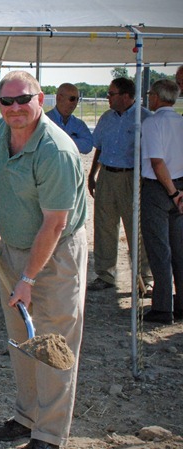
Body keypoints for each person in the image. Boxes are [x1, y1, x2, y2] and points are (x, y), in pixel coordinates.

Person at [0, 71, 87, 449]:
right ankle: (27, 416)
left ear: (41, 99)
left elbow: (54, 224)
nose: (15, 108)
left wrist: (28, 279)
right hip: (13, 249)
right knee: (21, 338)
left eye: (23, 99)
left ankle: (49, 434)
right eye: (7, 101)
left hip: (55, 254)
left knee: (52, 341)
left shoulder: (56, 151)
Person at [87, 77, 153, 291]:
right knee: (104, 225)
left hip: (132, 177)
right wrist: (92, 174)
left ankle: (145, 278)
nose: (108, 98)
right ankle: (105, 274)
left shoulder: (145, 118)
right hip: (106, 175)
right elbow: (99, 147)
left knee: (137, 228)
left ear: (126, 96)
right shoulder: (106, 117)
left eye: (111, 94)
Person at [140, 79, 183, 324]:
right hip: (180, 185)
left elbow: (157, 162)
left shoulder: (153, 123)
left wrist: (171, 192)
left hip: (159, 189)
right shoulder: (181, 121)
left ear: (156, 97)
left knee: (160, 250)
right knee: (179, 250)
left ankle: (163, 307)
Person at [46, 83, 93, 154]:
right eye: (72, 99)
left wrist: (59, 140)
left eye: (77, 99)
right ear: (59, 98)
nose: (75, 103)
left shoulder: (79, 124)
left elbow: (88, 146)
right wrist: (73, 139)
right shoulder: (45, 120)